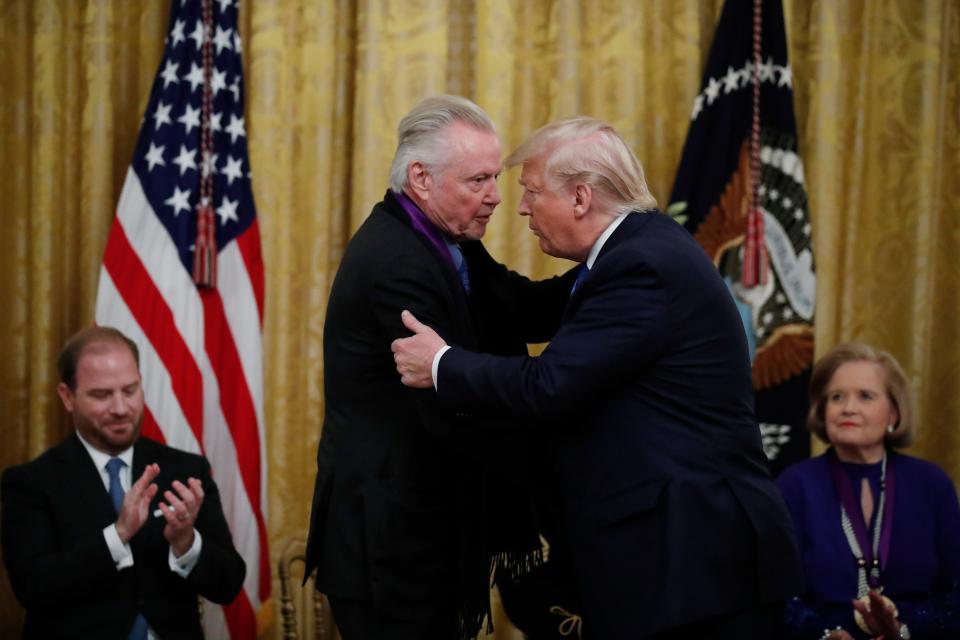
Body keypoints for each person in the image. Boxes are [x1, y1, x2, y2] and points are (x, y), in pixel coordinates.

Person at [392, 116, 804, 639]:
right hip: (681, 560)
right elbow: (528, 306)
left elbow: (549, 386)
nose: (520, 207)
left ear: (581, 198)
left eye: (533, 192)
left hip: (697, 565)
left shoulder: (640, 267)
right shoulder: (634, 249)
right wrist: (454, 235)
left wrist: (440, 364)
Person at [302, 95, 577, 639]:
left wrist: (613, 258)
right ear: (422, 178)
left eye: (495, 178)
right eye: (477, 180)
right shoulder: (397, 261)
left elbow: (523, 309)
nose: (497, 198)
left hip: (426, 528)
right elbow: (452, 405)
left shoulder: (446, 240)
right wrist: (567, 456)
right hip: (393, 545)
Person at [0, 326, 245, 639]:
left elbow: (229, 585)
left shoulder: (186, 470)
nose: (120, 408)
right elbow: (33, 589)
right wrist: (117, 536)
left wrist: (186, 543)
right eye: (101, 395)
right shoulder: (31, 482)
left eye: (129, 390)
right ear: (67, 397)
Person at [777, 342, 960, 640]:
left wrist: (903, 630)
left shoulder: (932, 484)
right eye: (836, 397)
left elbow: (956, 593)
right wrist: (825, 634)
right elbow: (778, 596)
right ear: (823, 411)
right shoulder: (794, 485)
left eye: (865, 396)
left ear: (893, 414)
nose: (848, 407)